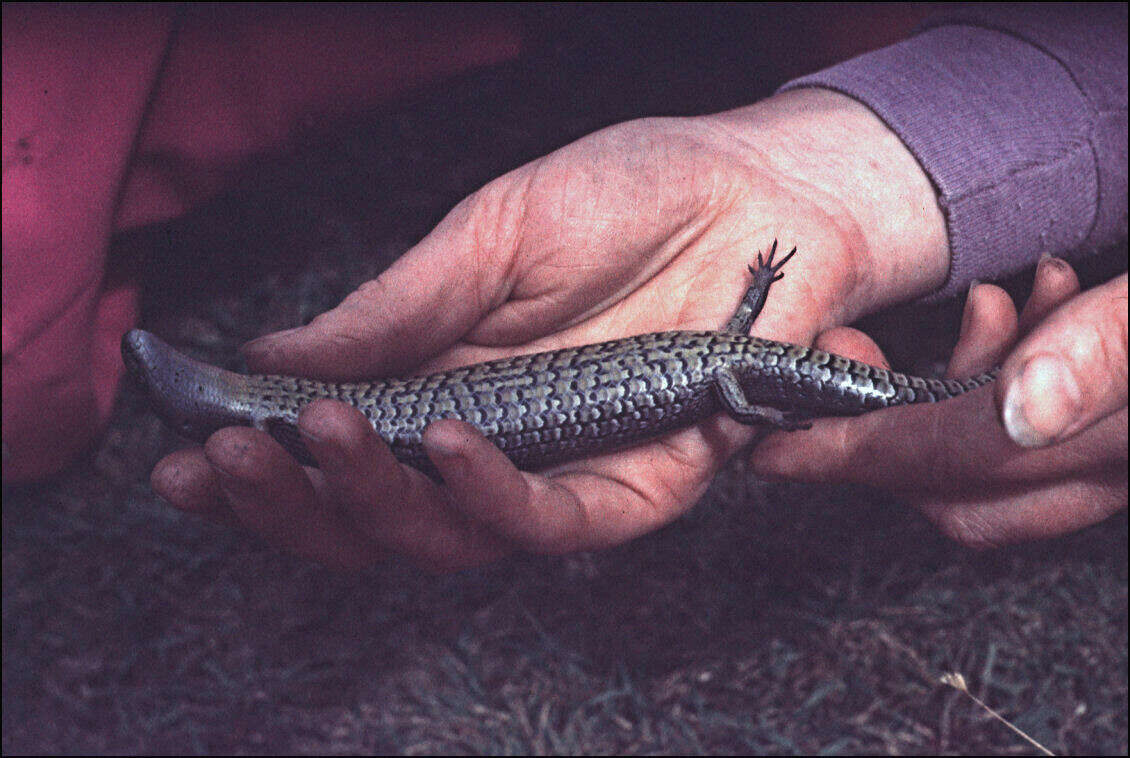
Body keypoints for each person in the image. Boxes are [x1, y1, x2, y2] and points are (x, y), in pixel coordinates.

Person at [5, 6, 1125, 571]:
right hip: (715, 355)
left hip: (720, 361)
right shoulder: (728, 367)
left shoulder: (732, 374)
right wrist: (810, 186)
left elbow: (738, 374)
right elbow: (733, 366)